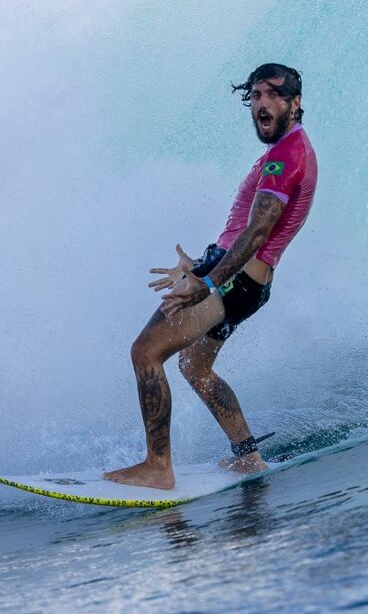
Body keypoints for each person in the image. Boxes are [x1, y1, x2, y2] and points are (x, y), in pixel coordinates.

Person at [104, 63, 317, 490]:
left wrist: (207, 281)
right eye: (255, 96)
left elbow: (257, 233)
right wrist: (202, 264)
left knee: (145, 352)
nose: (261, 104)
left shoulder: (287, 157)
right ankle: (248, 456)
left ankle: (157, 467)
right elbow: (242, 232)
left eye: (273, 95)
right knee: (195, 366)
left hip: (232, 284)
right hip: (243, 284)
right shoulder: (287, 152)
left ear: (296, 103)